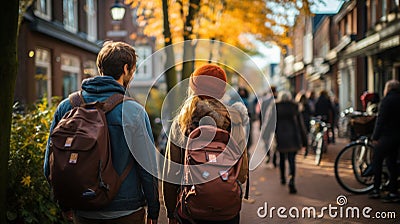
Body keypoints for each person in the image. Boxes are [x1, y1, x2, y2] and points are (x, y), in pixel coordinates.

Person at [43, 41, 160, 223]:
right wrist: (154, 209)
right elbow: (148, 169)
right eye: (133, 70)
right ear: (126, 68)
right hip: (126, 210)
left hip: (83, 208)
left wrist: (65, 204)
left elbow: (49, 165)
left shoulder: (66, 107)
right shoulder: (134, 111)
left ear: (101, 68)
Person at [163, 64, 249, 224]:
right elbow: (242, 173)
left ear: (194, 88)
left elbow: (171, 172)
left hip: (190, 206)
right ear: (222, 91)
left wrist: (170, 210)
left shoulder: (182, 121)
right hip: (226, 208)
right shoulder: (234, 120)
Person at [369, 80, 400, 202]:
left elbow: (380, 120)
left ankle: (376, 189)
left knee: (377, 160)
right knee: (392, 164)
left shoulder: (387, 100)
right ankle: (393, 192)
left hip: (386, 136)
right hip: (397, 137)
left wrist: (375, 137)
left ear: (388, 89)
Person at [275, 91, 307, 194]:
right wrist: (305, 141)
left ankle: (282, 178)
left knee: (282, 158)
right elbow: (300, 125)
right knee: (292, 160)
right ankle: (291, 179)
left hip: (280, 137)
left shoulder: (276, 107)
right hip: (293, 136)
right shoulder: (294, 107)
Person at [260, 86, 278, 167]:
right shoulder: (278, 100)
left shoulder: (264, 101)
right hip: (275, 124)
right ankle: (273, 158)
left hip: (267, 123)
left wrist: (261, 124)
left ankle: (268, 155)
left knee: (266, 140)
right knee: (275, 142)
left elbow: (261, 114)